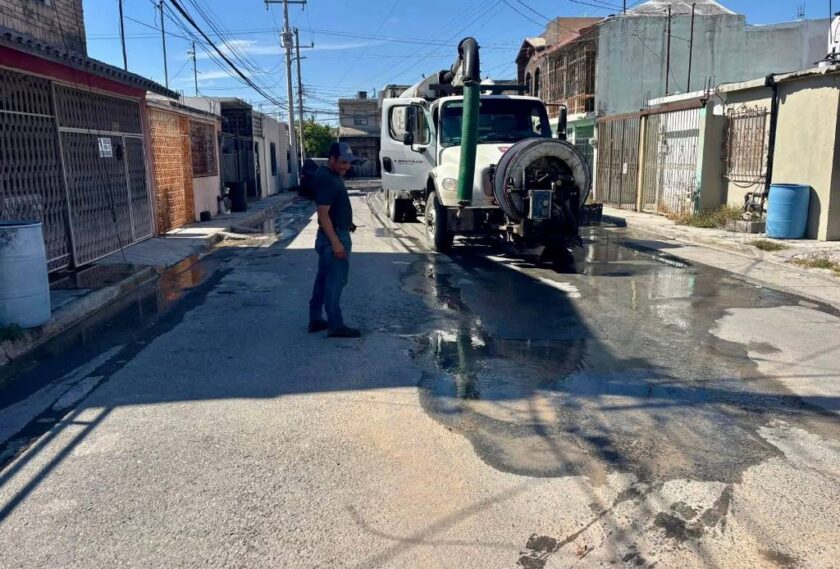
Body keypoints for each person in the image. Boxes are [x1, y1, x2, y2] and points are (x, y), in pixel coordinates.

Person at [308, 142, 361, 338]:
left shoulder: (329, 175)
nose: (347, 166)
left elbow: (332, 209)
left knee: (323, 278)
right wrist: (336, 242)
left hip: (333, 232)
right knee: (335, 281)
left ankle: (315, 319)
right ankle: (336, 325)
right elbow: (323, 213)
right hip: (334, 237)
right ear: (332, 159)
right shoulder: (328, 179)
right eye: (343, 162)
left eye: (349, 162)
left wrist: (346, 222)